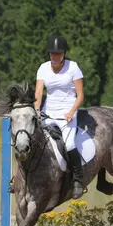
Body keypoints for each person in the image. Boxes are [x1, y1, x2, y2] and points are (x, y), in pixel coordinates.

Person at [34, 35, 86, 199]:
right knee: (32, 141)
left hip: (67, 112)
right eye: (52, 54)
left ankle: (78, 180)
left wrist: (72, 111)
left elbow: (80, 96)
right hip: (48, 112)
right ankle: (25, 178)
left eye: (58, 54)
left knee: (69, 145)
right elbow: (38, 93)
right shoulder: (43, 68)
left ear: (63, 54)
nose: (54, 57)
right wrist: (36, 110)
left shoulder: (73, 67)